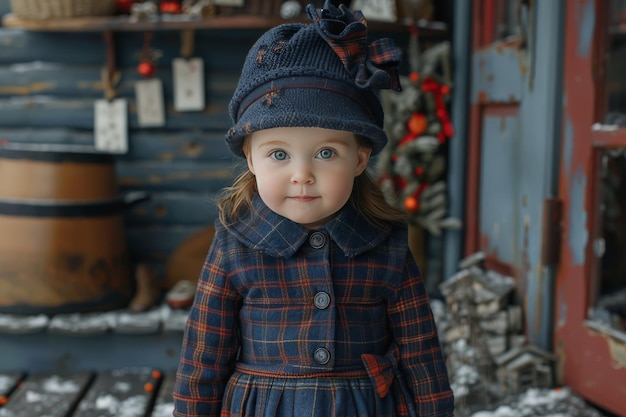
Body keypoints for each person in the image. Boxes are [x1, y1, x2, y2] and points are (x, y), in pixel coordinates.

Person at [173, 1, 454, 416]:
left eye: (325, 152)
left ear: (359, 158)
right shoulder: (236, 245)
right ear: (250, 158)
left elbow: (420, 351)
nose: (302, 175)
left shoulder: (385, 244)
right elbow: (204, 353)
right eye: (279, 155)